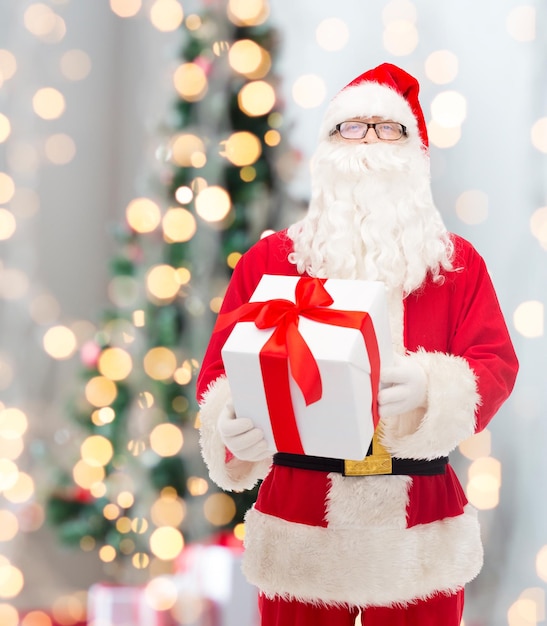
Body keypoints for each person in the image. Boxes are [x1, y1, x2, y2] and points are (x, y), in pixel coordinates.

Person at [195, 63, 519, 626]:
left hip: (416, 524)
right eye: (352, 127)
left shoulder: (456, 266)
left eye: (387, 128)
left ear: (414, 153)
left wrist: (432, 388)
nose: (369, 141)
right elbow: (220, 377)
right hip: (302, 521)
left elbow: (495, 364)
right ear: (326, 147)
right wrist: (230, 428)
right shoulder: (271, 262)